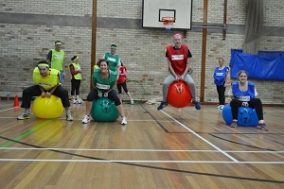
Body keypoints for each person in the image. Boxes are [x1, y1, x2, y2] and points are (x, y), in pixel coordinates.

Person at [157, 33, 201, 110]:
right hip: (174, 73)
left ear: (181, 40)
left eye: (179, 40)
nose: (177, 41)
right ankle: (164, 101)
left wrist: (183, 75)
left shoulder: (186, 49)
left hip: (184, 73)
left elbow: (188, 64)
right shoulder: (169, 50)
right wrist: (175, 75)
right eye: (176, 40)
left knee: (191, 83)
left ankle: (194, 100)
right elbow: (169, 65)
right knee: (165, 83)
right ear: (173, 41)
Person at [81, 59, 127, 125]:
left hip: (109, 90)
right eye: (101, 65)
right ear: (99, 66)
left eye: (104, 65)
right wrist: (98, 91)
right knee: (89, 96)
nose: (103, 67)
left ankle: (123, 117)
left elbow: (113, 85)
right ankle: (87, 116)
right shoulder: (95, 74)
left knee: (116, 98)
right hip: (97, 90)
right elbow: (94, 84)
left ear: (107, 66)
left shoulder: (113, 75)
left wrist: (108, 92)